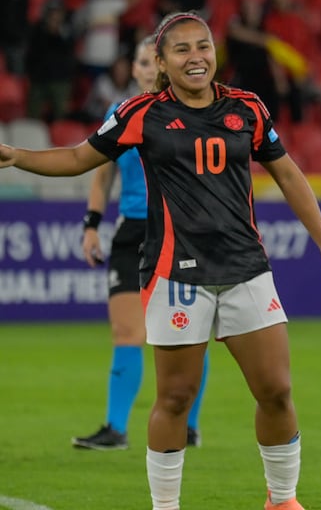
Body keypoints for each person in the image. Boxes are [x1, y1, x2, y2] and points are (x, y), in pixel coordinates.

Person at [0, 12, 321, 510]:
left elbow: (290, 177)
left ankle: (282, 499)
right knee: (175, 399)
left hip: (245, 269)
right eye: (182, 50)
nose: (196, 57)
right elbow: (81, 159)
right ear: (162, 63)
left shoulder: (247, 108)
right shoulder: (141, 112)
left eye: (203, 47)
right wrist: (18, 156)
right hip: (174, 273)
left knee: (275, 390)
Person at [74, 38, 209, 452]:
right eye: (141, 61)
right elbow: (100, 174)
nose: (149, 68)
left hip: (180, 232)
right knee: (126, 331)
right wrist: (92, 224)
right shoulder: (120, 116)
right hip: (132, 231)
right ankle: (116, 429)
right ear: (133, 70)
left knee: (188, 335)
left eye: (155, 61)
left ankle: (188, 425)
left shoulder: (190, 113)